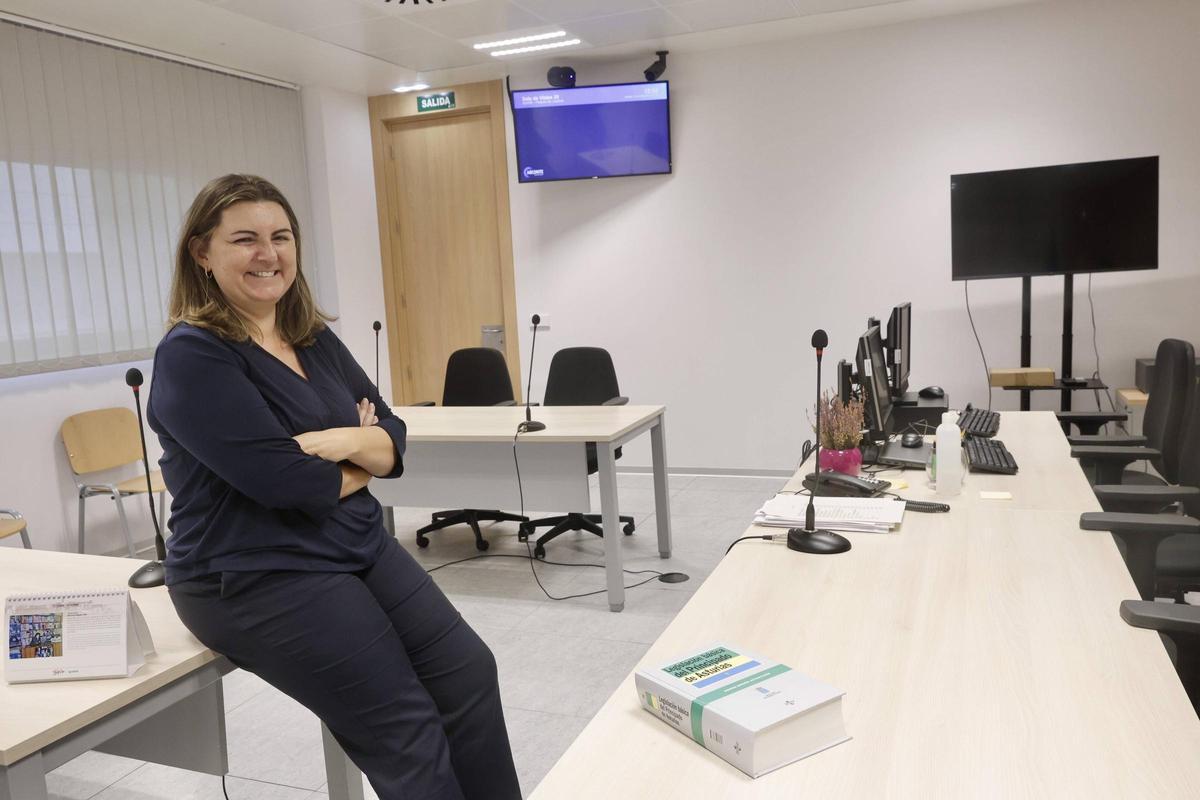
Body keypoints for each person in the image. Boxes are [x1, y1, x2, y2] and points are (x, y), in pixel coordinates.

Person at [147, 174, 520, 800]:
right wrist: (359, 454)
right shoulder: (195, 355)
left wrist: (345, 444)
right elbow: (283, 482)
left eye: (280, 236)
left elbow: (394, 437)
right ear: (201, 253)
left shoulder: (311, 337)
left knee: (469, 677)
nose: (268, 254)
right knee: (406, 729)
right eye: (245, 239)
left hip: (351, 542)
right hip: (255, 572)